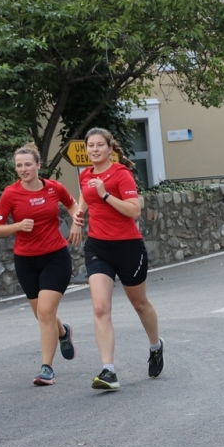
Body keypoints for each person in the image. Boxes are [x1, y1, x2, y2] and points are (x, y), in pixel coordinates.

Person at [71, 128, 163, 391]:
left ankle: (155, 346)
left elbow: (134, 211)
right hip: (98, 247)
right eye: (91, 145)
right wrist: (78, 219)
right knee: (100, 308)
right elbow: (84, 197)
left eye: (100, 145)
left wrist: (105, 194)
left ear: (110, 149)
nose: (95, 149)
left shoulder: (121, 174)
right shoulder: (86, 175)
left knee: (140, 304)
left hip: (128, 248)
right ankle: (108, 371)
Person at [0, 143, 80, 385]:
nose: (23, 169)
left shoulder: (54, 188)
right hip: (26, 260)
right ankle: (63, 331)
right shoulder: (10, 194)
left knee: (45, 312)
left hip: (55, 257)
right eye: (19, 165)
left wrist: (76, 222)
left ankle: (46, 368)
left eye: (27, 164)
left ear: (38, 165)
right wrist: (17, 226)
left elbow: (73, 205)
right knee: (42, 315)